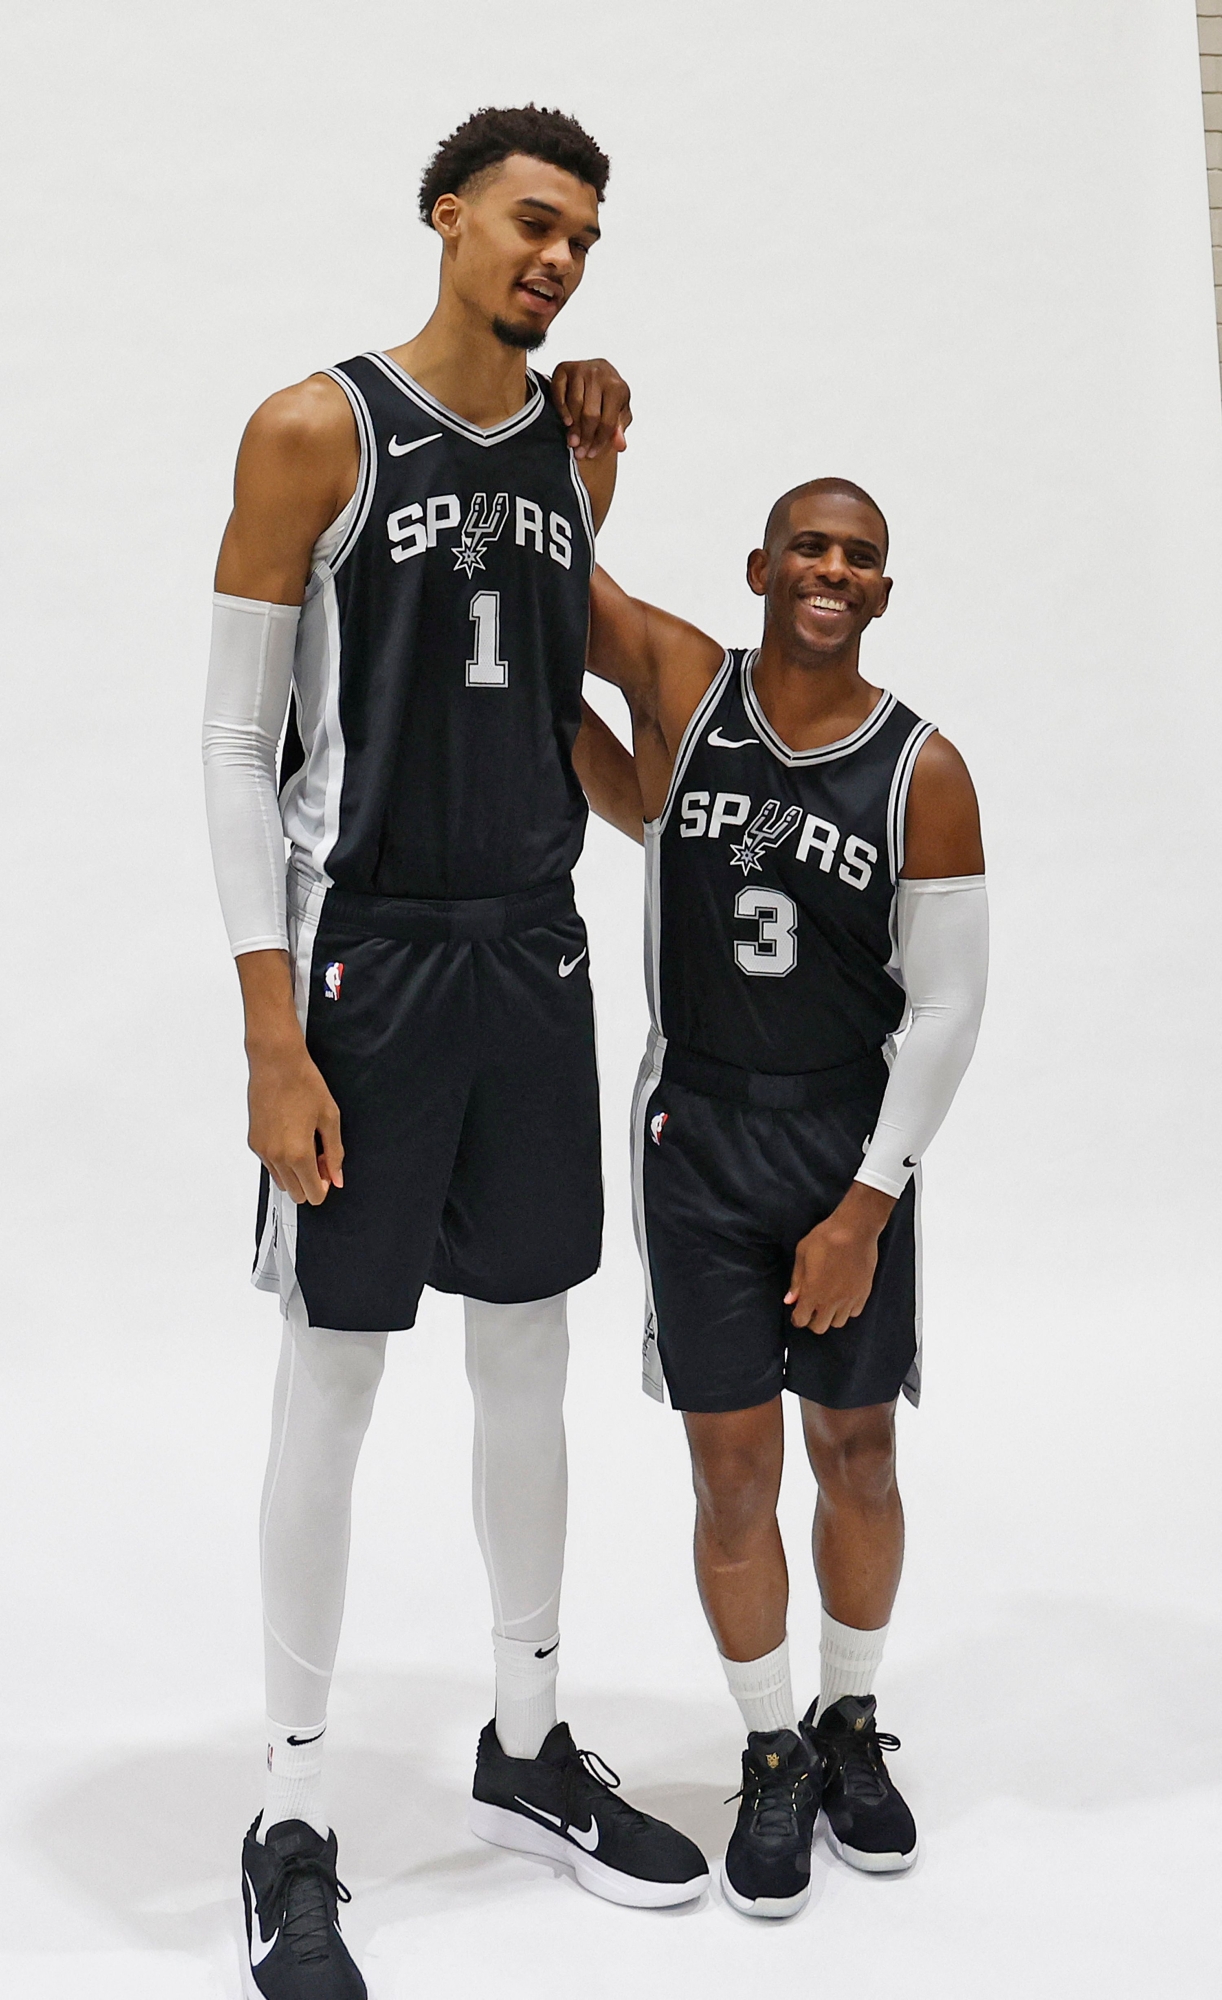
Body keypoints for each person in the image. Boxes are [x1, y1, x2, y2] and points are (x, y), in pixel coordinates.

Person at [203, 105, 708, 2000]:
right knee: (334, 1373)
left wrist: (648, 762)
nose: (557, 258)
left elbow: (553, 702)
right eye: (529, 220)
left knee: (529, 1357)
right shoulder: (314, 427)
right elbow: (234, 745)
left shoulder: (562, 456)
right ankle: (294, 1809)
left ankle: (523, 1740)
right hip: (371, 963)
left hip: (534, 956)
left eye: (582, 235)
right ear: (446, 216)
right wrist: (269, 1025)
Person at [586, 478, 988, 1918]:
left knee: (857, 1450)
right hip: (695, 1132)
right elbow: (564, 598)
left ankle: (846, 1719)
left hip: (840, 1143)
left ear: (883, 590)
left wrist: (863, 1208)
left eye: (861, 556)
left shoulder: (919, 768)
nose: (832, 569)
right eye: (809, 546)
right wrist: (580, 477)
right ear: (759, 564)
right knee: (731, 1471)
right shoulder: (690, 694)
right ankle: (766, 1748)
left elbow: (943, 1015)